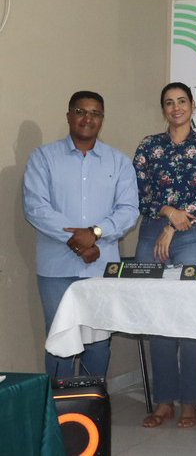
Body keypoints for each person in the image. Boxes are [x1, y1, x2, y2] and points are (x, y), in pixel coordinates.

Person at [23, 91, 138, 379]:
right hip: (56, 269)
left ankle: (92, 401)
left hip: (101, 267)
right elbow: (36, 208)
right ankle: (58, 404)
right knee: (59, 341)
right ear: (69, 116)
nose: (88, 118)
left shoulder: (118, 162)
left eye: (95, 113)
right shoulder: (43, 158)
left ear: (102, 119)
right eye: (80, 111)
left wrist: (95, 234)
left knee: (98, 342)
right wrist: (80, 243)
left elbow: (128, 210)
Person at [134, 82, 196, 429]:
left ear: (192, 106)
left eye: (182, 101)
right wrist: (168, 212)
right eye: (169, 103)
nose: (176, 108)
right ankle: (164, 401)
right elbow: (139, 193)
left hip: (192, 235)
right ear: (163, 109)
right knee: (157, 318)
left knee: (190, 317)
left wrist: (174, 224)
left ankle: (190, 401)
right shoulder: (148, 146)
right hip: (151, 234)